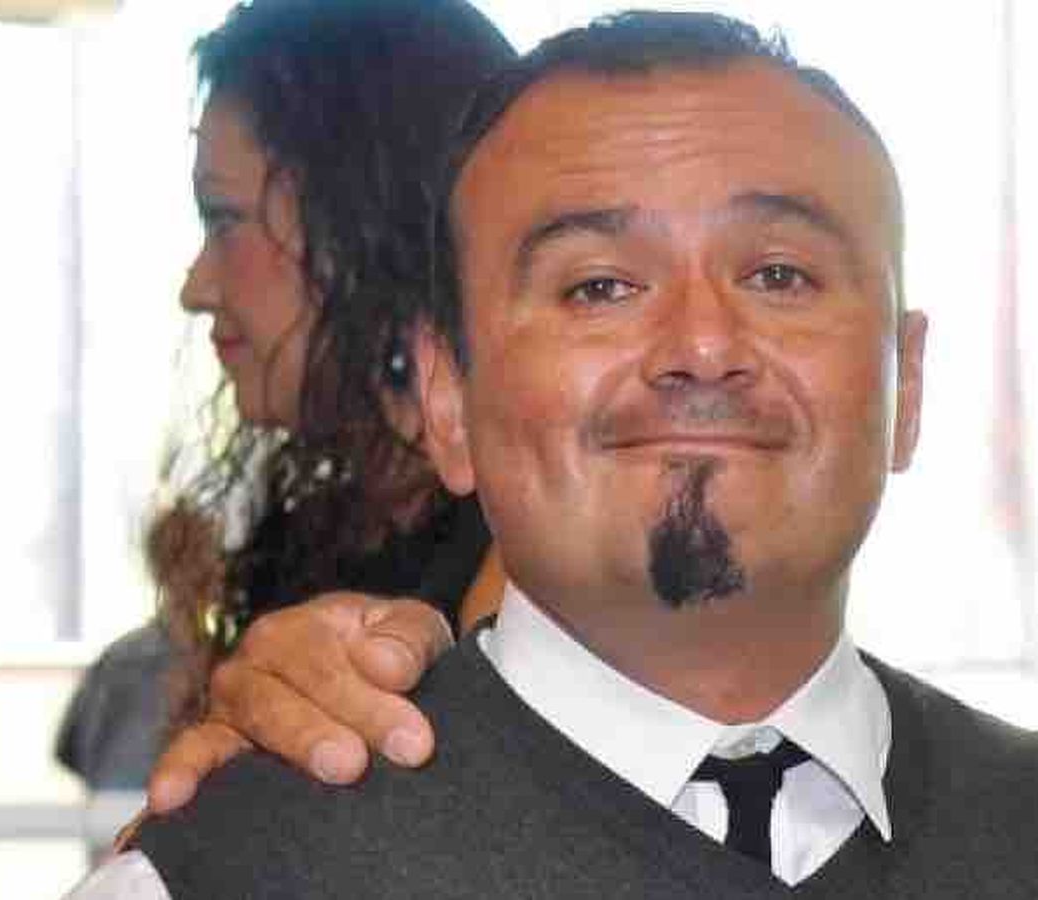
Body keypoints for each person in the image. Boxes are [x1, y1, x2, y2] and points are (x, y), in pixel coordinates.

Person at [73, 10, 1038, 898]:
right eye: (599, 287)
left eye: (779, 275)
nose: (703, 345)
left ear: (907, 383)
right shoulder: (237, 871)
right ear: (447, 399)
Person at [56, 0, 516, 822]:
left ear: (365, 227)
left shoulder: (528, 556)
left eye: (225, 220)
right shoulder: (313, 534)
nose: (196, 287)